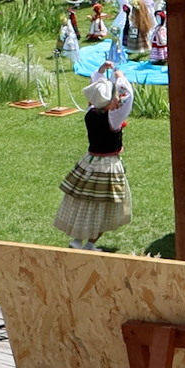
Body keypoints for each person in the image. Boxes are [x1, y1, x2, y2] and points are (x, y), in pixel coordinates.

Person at [55, 65, 134, 249]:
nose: (117, 99)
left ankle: (77, 240)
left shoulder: (91, 111)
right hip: (108, 165)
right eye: (114, 97)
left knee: (85, 203)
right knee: (106, 208)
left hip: (89, 162)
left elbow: (97, 89)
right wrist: (120, 77)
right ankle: (90, 244)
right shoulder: (113, 117)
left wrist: (101, 70)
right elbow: (128, 96)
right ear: (108, 102)